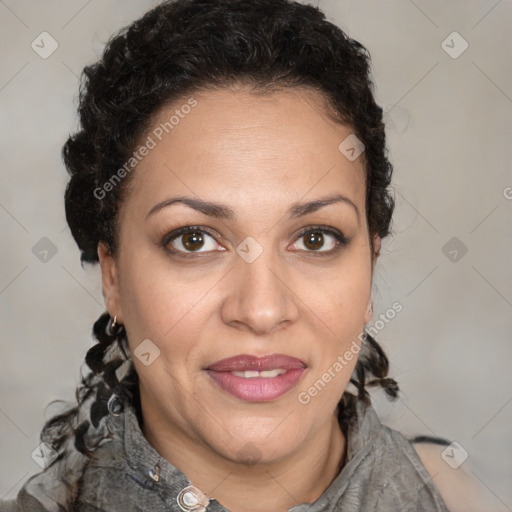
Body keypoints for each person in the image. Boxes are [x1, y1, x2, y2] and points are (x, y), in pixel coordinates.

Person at [0, 0, 485, 510]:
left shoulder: (464, 496)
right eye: (194, 240)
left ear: (371, 263)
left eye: (315, 239)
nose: (261, 310)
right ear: (113, 276)